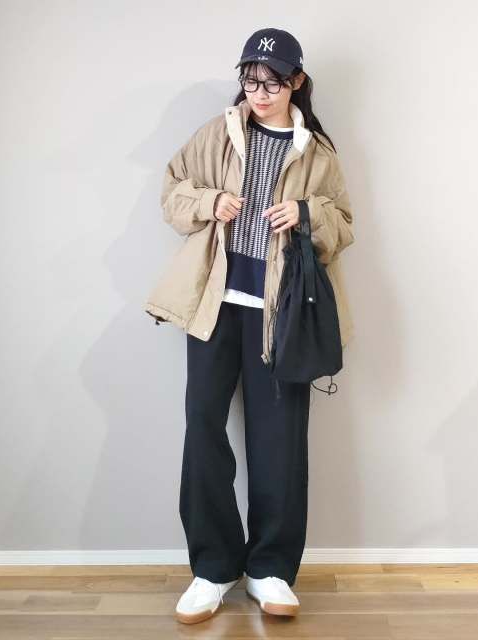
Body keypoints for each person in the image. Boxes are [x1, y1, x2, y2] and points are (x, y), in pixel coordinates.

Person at [144, 27, 355, 625]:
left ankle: (270, 569)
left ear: (297, 82)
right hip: (213, 308)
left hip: (282, 315)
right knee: (203, 431)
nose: (259, 93)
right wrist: (209, 203)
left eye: (273, 82)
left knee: (280, 441)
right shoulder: (218, 134)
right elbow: (172, 193)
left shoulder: (318, 153)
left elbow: (344, 224)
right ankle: (213, 568)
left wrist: (307, 213)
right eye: (251, 80)